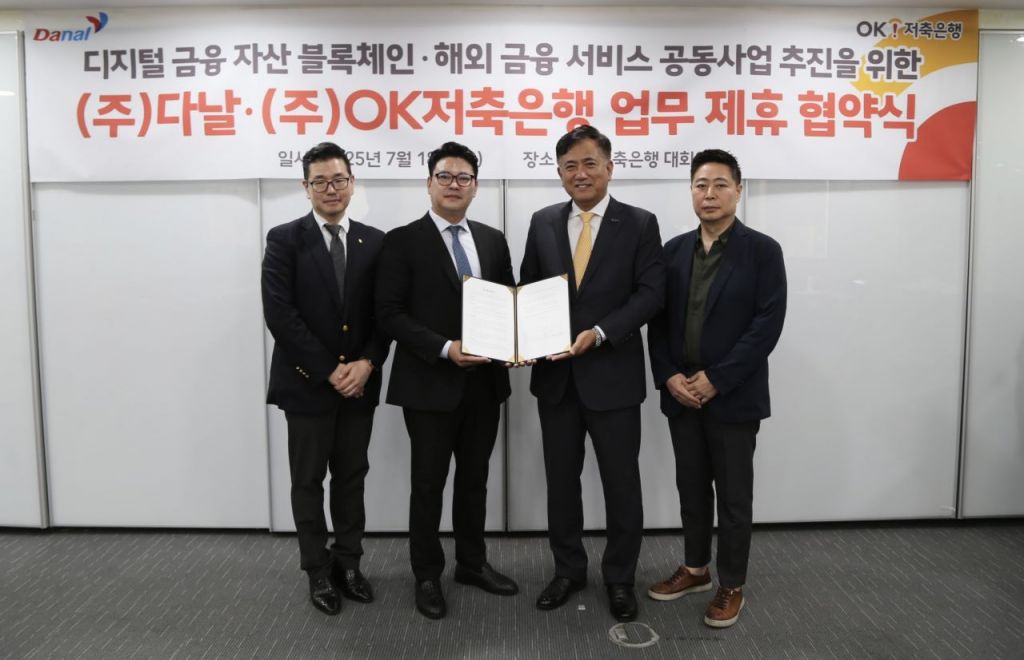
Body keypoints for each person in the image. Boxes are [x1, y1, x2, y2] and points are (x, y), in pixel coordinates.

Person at [519, 125, 665, 622]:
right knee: (562, 483)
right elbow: (528, 289)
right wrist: (522, 337)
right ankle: (568, 570)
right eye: (569, 166)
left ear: (609, 167)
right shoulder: (542, 222)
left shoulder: (640, 223)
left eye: (589, 163)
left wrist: (601, 332)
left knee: (621, 484)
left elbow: (651, 294)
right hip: (556, 380)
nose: (580, 174)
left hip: (613, 377)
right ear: (560, 173)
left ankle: (620, 578)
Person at [375, 141, 519, 620]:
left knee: (475, 481)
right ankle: (427, 574)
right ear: (429, 182)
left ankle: (472, 564)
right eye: (445, 176)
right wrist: (444, 347)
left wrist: (515, 343)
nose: (454, 184)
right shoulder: (401, 241)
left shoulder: (493, 240)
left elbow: (508, 302)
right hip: (429, 383)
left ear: (475, 187)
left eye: (463, 177)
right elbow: (389, 313)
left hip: (485, 385)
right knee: (428, 484)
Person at [646, 149, 786, 628]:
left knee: (733, 496)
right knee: (691, 489)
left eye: (720, 184)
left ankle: (732, 584)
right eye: (701, 185)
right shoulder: (673, 251)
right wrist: (668, 375)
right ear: (691, 192)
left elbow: (767, 325)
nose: (710, 194)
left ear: (738, 192)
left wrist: (717, 379)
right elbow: (657, 322)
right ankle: (695, 569)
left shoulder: (762, 250)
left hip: (733, 396)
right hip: (681, 394)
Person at [262, 141, 390, 616]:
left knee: (352, 477)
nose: (330, 189)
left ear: (352, 183)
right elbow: (281, 315)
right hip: (307, 384)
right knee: (308, 480)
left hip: (359, 384)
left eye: (338, 180)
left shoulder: (376, 241)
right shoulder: (284, 239)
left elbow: (385, 314)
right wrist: (329, 369)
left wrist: (368, 362)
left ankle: (349, 564)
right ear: (306, 187)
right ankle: (317, 570)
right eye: (320, 181)